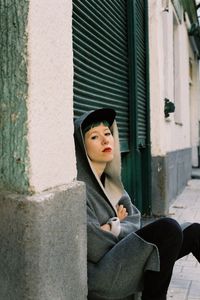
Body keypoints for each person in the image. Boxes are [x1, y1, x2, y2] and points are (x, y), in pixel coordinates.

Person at [74, 108, 200, 300]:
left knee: (194, 232)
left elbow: (135, 221)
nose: (105, 140)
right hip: (104, 278)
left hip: (126, 261)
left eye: (107, 133)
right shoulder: (79, 190)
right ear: (82, 147)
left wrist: (109, 228)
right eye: (94, 137)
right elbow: (94, 245)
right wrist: (117, 224)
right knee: (168, 228)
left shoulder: (113, 185)